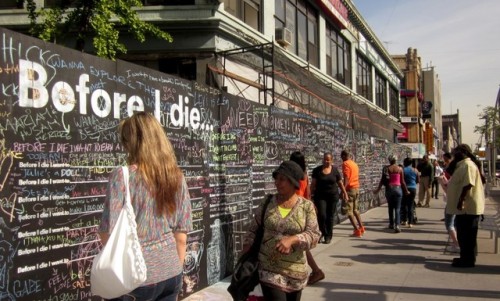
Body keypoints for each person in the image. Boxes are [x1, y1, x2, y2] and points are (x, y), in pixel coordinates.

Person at [98, 112, 193, 301]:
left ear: (130, 142)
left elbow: (107, 232)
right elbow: (181, 236)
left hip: (135, 277)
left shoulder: (122, 176)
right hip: (171, 272)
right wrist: (175, 269)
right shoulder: (176, 176)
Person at [244, 160, 321, 300]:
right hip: (269, 271)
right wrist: (244, 255)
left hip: (296, 273)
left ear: (293, 182)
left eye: (282, 179)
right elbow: (253, 229)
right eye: (276, 179)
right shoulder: (267, 202)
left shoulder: (306, 207)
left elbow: (314, 235)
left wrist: (293, 239)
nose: (277, 183)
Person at [445, 144, 485, 268]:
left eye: (456, 151)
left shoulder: (468, 165)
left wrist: (461, 200)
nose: (454, 153)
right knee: (463, 234)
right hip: (464, 209)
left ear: (462, 152)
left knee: (467, 235)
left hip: (467, 207)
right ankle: (465, 257)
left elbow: (468, 184)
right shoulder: (462, 165)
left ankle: (467, 260)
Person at [289, 152, 324, 285]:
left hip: (294, 209)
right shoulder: (304, 174)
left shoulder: (292, 175)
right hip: (303, 209)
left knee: (298, 242)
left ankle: (316, 270)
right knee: (299, 242)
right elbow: (308, 194)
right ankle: (314, 271)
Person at [311, 152, 348, 244]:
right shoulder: (317, 170)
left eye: (328, 160)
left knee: (330, 216)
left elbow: (340, 183)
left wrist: (345, 193)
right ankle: (323, 232)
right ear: (323, 159)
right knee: (322, 215)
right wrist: (309, 195)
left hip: (332, 196)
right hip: (320, 196)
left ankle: (328, 236)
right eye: (325, 159)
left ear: (331, 160)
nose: (326, 161)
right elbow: (313, 184)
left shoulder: (335, 170)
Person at [374, 155, 409, 233]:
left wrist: (377, 190)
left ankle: (391, 224)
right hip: (398, 189)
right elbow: (402, 182)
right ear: (396, 160)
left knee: (390, 207)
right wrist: (406, 191)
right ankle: (397, 225)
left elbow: (382, 180)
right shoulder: (400, 169)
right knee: (397, 208)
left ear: (389, 160)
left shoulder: (386, 168)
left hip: (389, 189)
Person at [340, 150, 365, 237]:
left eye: (341, 157)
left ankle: (356, 230)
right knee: (355, 210)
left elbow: (346, 178)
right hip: (356, 187)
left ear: (343, 156)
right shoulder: (354, 164)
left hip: (350, 189)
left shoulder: (345, 164)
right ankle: (361, 227)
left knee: (349, 211)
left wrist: (343, 190)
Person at [440, 152, 460, 253]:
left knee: (449, 223)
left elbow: (448, 190)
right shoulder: (458, 176)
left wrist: (442, 182)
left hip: (452, 202)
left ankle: (456, 244)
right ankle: (456, 243)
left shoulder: (453, 178)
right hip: (457, 202)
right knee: (454, 223)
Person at [402, 157, 419, 228]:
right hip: (413, 188)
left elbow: (401, 180)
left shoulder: (403, 170)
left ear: (405, 163)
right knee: (411, 205)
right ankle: (410, 222)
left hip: (405, 188)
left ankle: (405, 220)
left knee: (405, 204)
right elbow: (418, 180)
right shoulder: (415, 170)